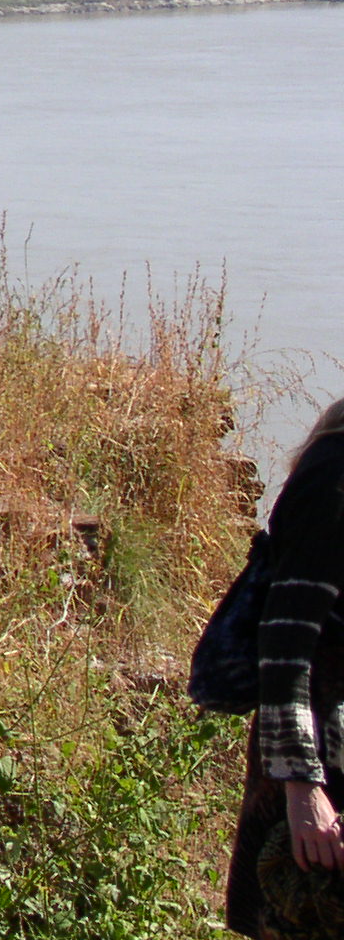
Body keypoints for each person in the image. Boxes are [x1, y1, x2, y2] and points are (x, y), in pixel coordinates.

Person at [229, 397, 344, 938]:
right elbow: (284, 644)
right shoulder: (334, 476)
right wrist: (301, 786)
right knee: (305, 913)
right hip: (322, 765)